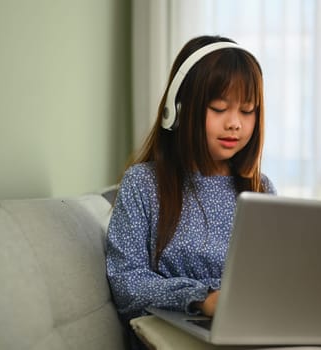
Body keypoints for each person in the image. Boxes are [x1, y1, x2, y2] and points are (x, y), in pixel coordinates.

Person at [106, 35, 276, 348]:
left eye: (247, 110)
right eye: (219, 108)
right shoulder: (143, 184)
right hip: (174, 337)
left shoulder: (260, 190)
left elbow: (273, 278)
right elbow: (127, 282)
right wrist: (202, 299)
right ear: (177, 111)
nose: (234, 123)